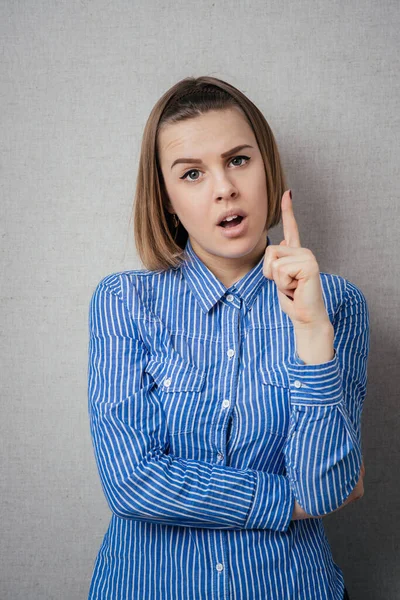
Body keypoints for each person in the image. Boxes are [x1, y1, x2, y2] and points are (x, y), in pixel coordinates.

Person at [87, 76, 369, 600]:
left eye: (238, 159)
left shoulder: (338, 305)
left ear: (267, 166)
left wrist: (310, 330)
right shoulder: (124, 302)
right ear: (167, 200)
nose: (224, 188)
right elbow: (131, 483)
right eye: (192, 173)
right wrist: (283, 501)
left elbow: (325, 492)